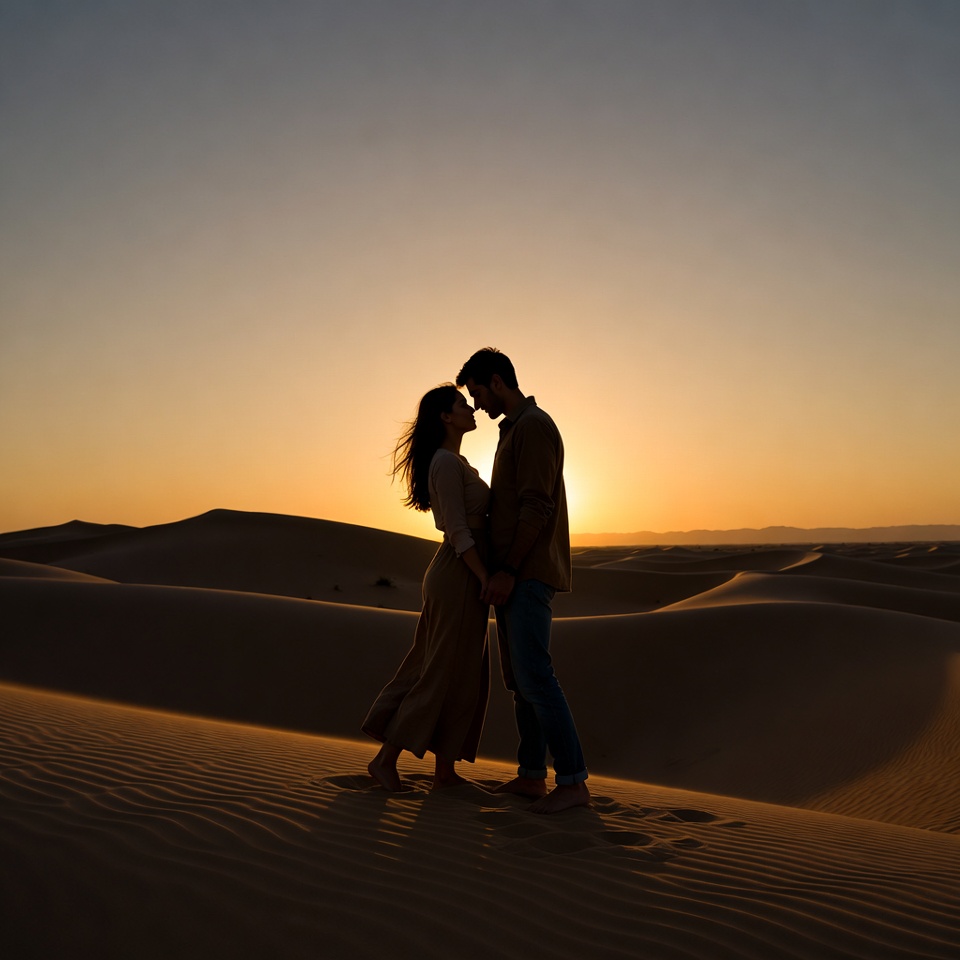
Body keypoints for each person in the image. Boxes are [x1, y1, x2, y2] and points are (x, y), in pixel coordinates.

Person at [456, 348, 590, 814]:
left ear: (497, 381)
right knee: (521, 680)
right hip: (515, 572)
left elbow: (536, 506)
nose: (476, 406)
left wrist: (508, 570)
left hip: (526, 573)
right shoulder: (513, 429)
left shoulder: (532, 427)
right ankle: (533, 776)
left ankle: (572, 782)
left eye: (477, 394)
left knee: (535, 676)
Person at [362, 384, 492, 791]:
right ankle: (385, 760)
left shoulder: (453, 460)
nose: (470, 408)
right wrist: (486, 577)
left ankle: (445, 771)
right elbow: (457, 531)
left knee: (457, 671)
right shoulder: (446, 464)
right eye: (461, 404)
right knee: (439, 671)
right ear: (445, 418)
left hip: (459, 574)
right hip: (458, 574)